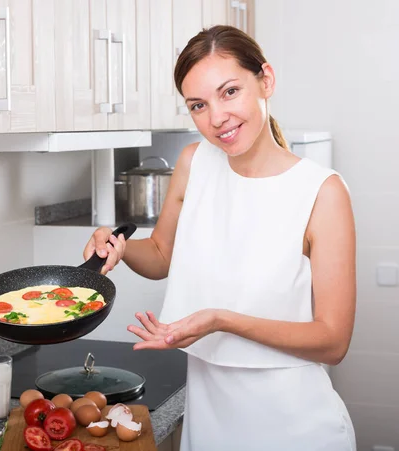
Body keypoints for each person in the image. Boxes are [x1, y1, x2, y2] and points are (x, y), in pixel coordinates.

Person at [83, 25, 356, 451]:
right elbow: (160, 254)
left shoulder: (322, 192)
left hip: (295, 427)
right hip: (209, 425)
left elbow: (333, 341)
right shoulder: (194, 162)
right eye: (198, 105)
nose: (216, 118)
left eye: (230, 92)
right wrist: (116, 244)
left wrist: (221, 320)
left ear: (265, 80)